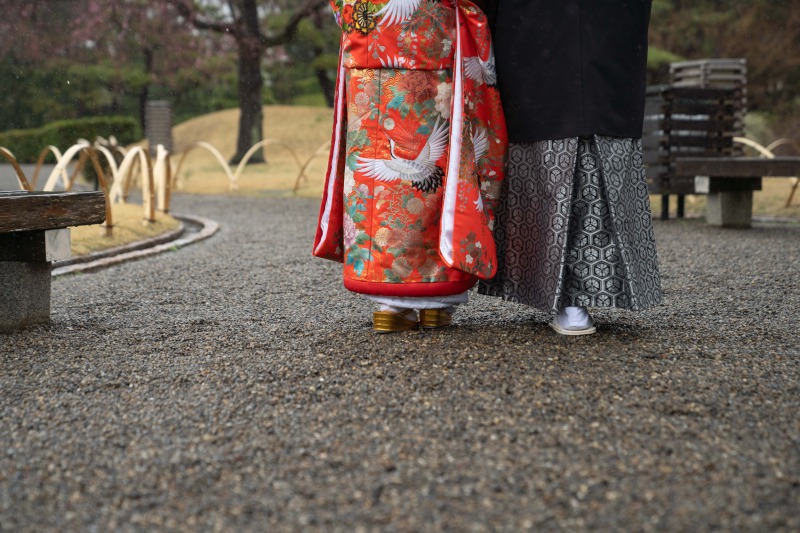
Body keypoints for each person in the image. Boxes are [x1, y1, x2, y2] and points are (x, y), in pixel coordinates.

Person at [314, 0, 507, 333]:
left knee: (372, 165)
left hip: (369, 37)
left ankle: (389, 303)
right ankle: (435, 296)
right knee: (440, 156)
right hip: (430, 33)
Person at [474, 0, 662, 335]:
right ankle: (565, 295)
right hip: (565, 30)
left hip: (558, 29)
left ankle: (568, 295)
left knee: (576, 141)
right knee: (555, 138)